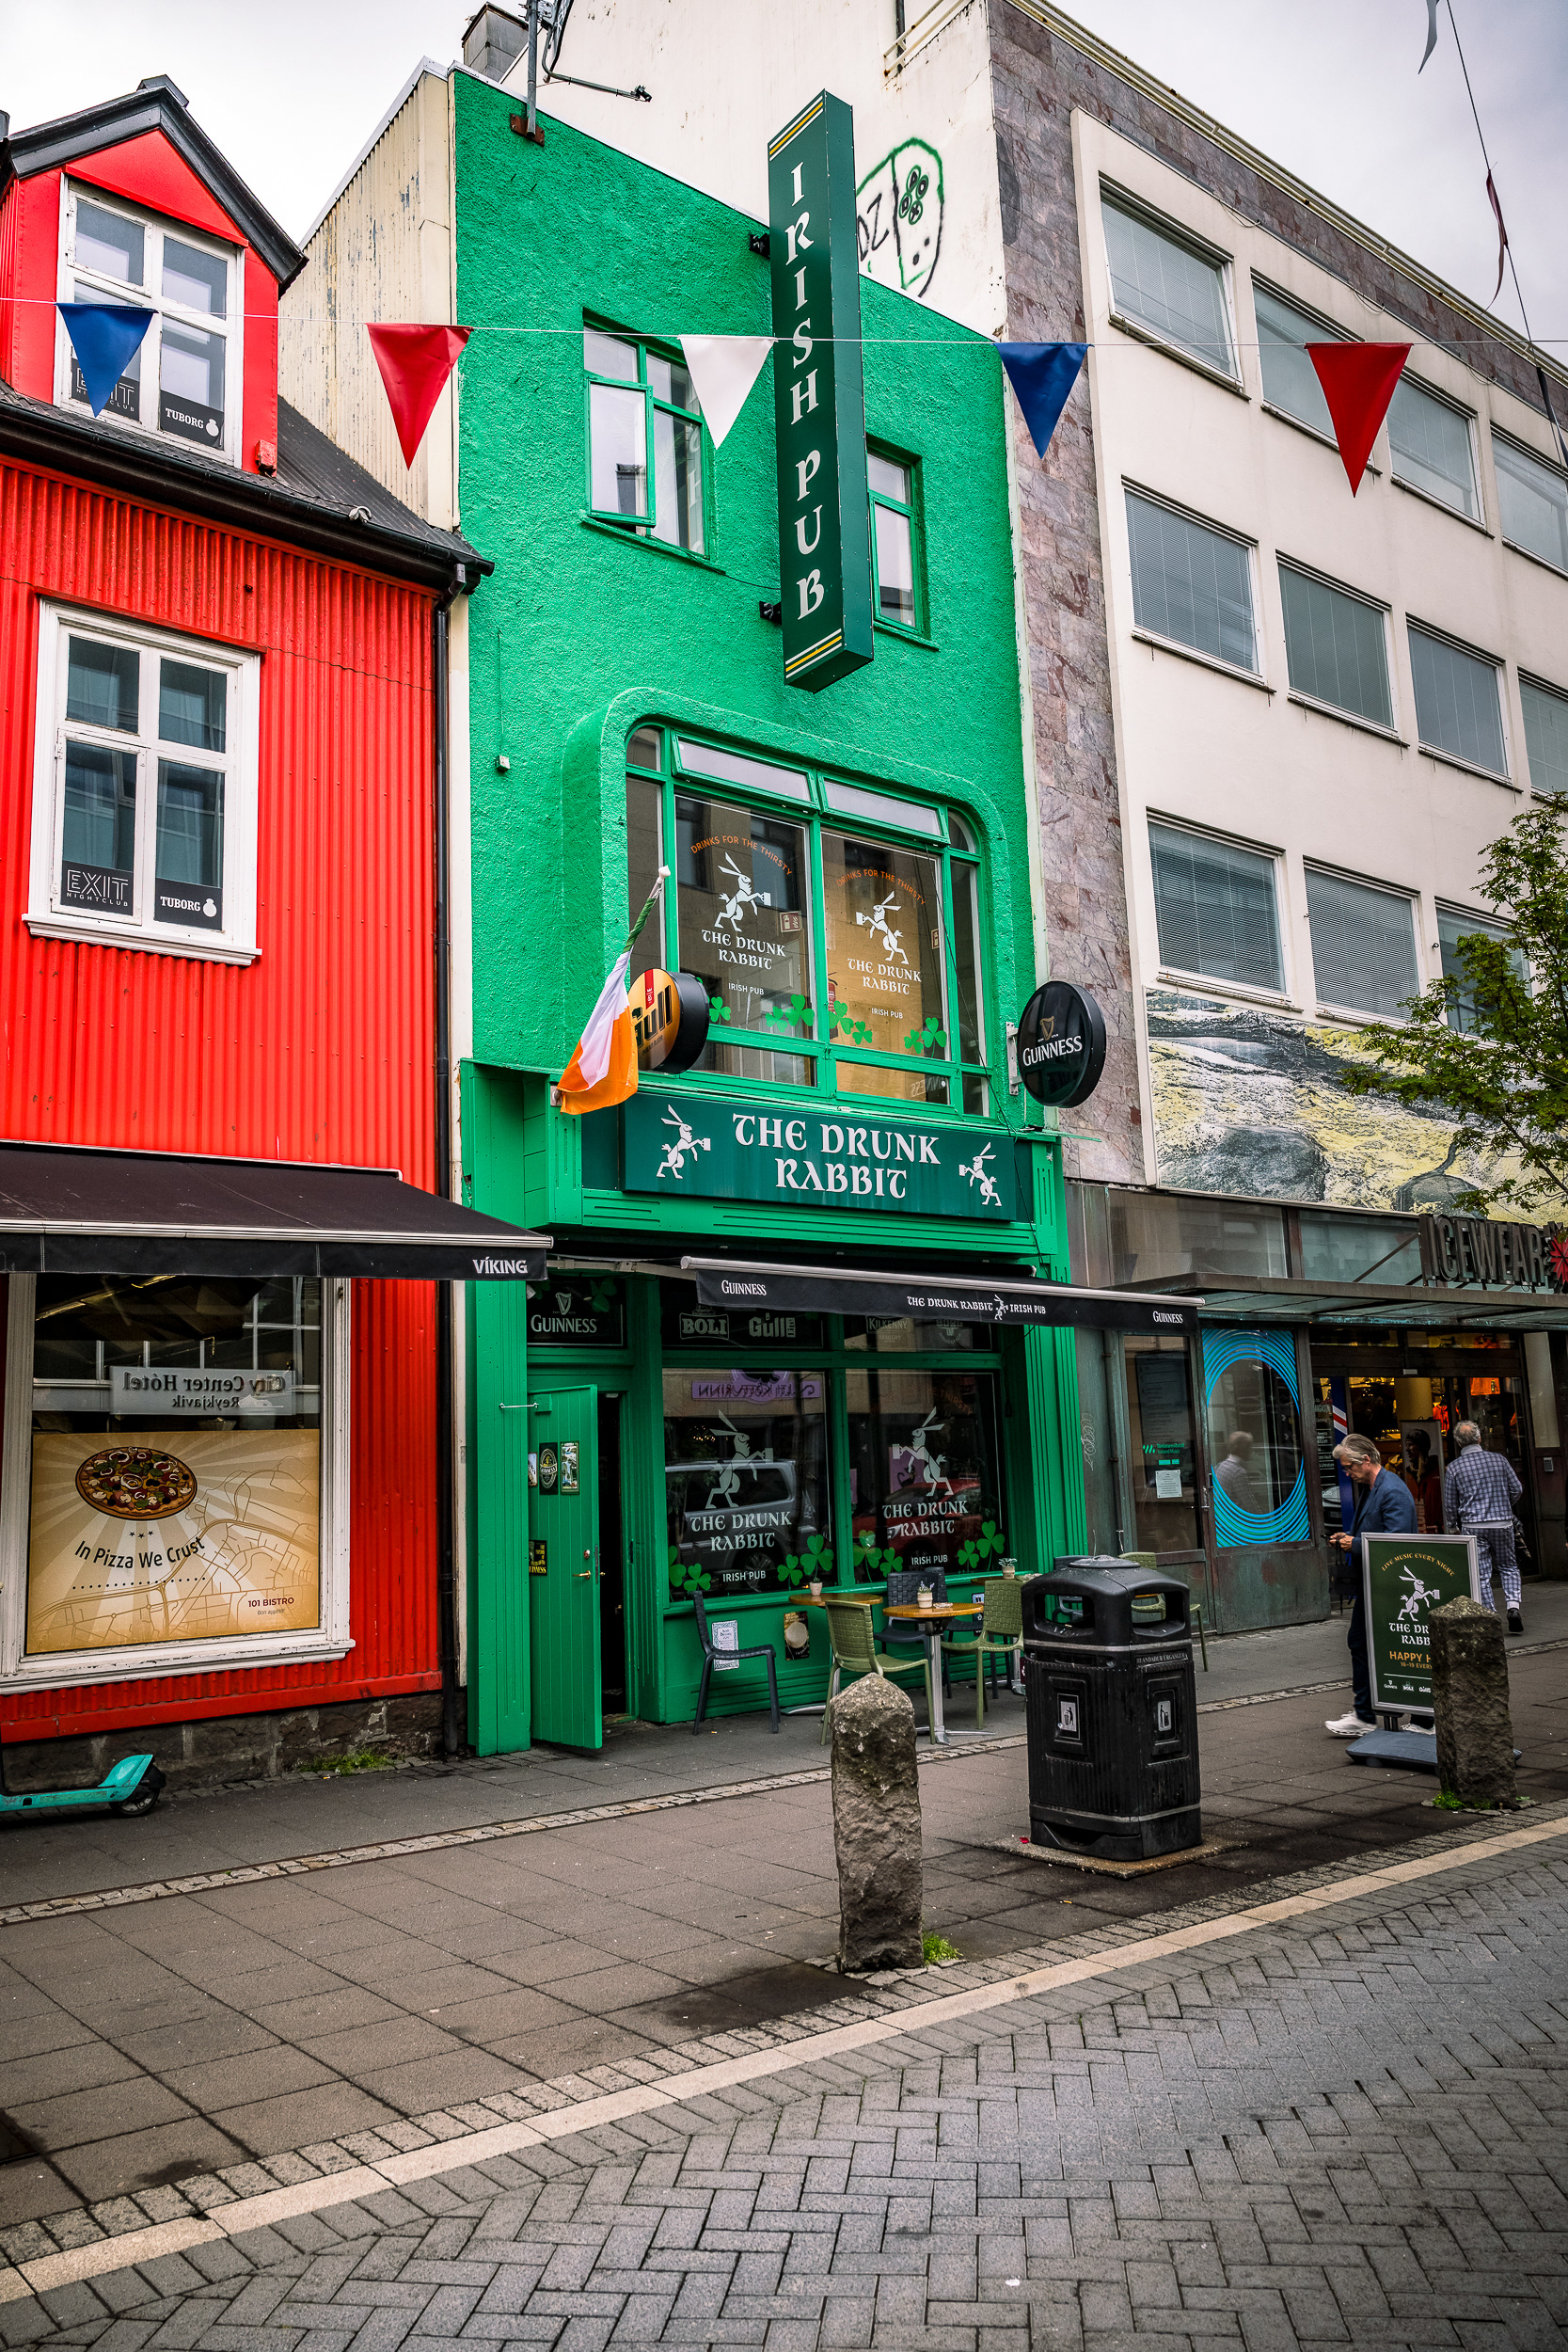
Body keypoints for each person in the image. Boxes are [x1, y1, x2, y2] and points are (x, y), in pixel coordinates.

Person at [1324, 1434, 1417, 1737]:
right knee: (1364, 1643)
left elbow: (1398, 1542)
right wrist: (1348, 1537)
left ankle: (1372, 1716)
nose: (1346, 1472)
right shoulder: (1372, 1487)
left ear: (1366, 1460)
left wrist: (1356, 1543)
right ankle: (1367, 1713)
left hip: (1391, 1586)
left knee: (1381, 1645)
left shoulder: (1392, 1491)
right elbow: (1373, 1531)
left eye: (1349, 1466)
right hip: (1375, 1582)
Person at [1443, 1421, 1525, 1632]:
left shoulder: (1454, 1467)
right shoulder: (1499, 1460)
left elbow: (1450, 1504)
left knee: (1481, 1573)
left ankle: (1491, 1617)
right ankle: (1513, 1606)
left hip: (1472, 1525)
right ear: (1479, 1438)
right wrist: (1505, 1505)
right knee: (1508, 1566)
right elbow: (1517, 1489)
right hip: (1502, 1522)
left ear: (1459, 1443)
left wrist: (1452, 1527)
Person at [1213, 1430, 1259, 1511]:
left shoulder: (1221, 1465)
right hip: (1235, 1518)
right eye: (1250, 1448)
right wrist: (1263, 1520)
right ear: (1244, 1450)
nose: (1251, 1451)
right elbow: (1248, 1502)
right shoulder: (1238, 1472)